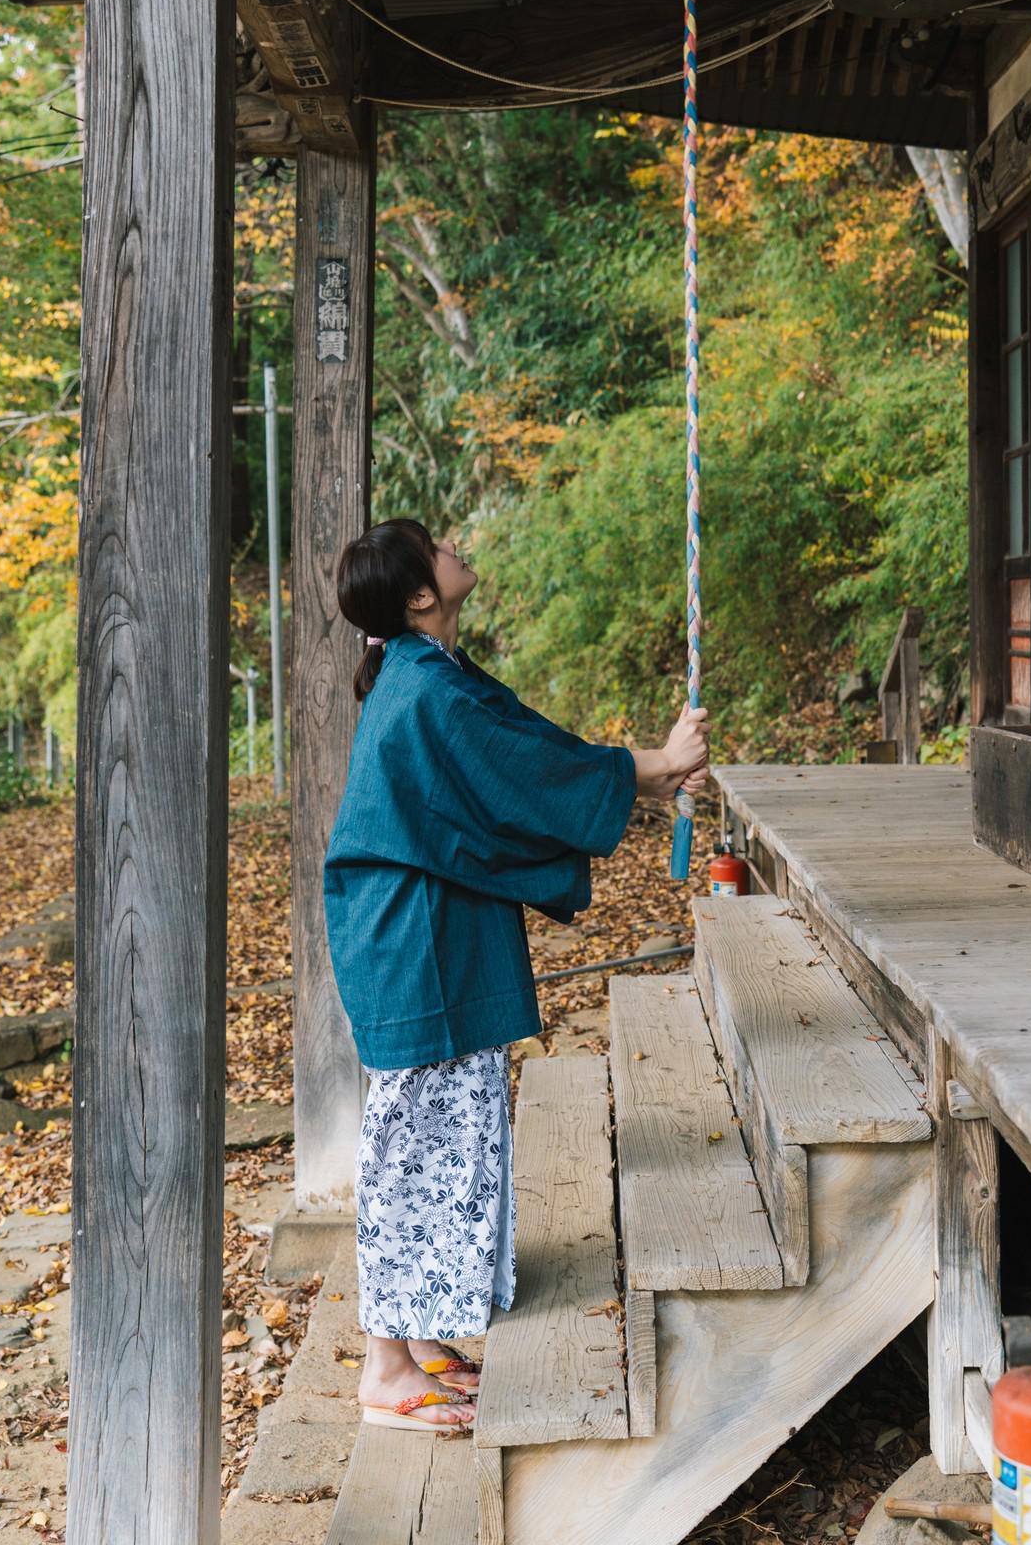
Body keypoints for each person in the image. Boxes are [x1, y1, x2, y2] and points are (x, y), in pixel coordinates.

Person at [322, 517, 710, 1434]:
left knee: (444, 1126)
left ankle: (412, 1341)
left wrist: (645, 776)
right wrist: (652, 767)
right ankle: (382, 1369)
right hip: (409, 939)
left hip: (429, 929)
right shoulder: (423, 690)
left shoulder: (432, 674)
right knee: (408, 1144)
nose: (455, 545)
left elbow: (524, 748)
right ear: (420, 594)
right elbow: (521, 772)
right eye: (437, 546)